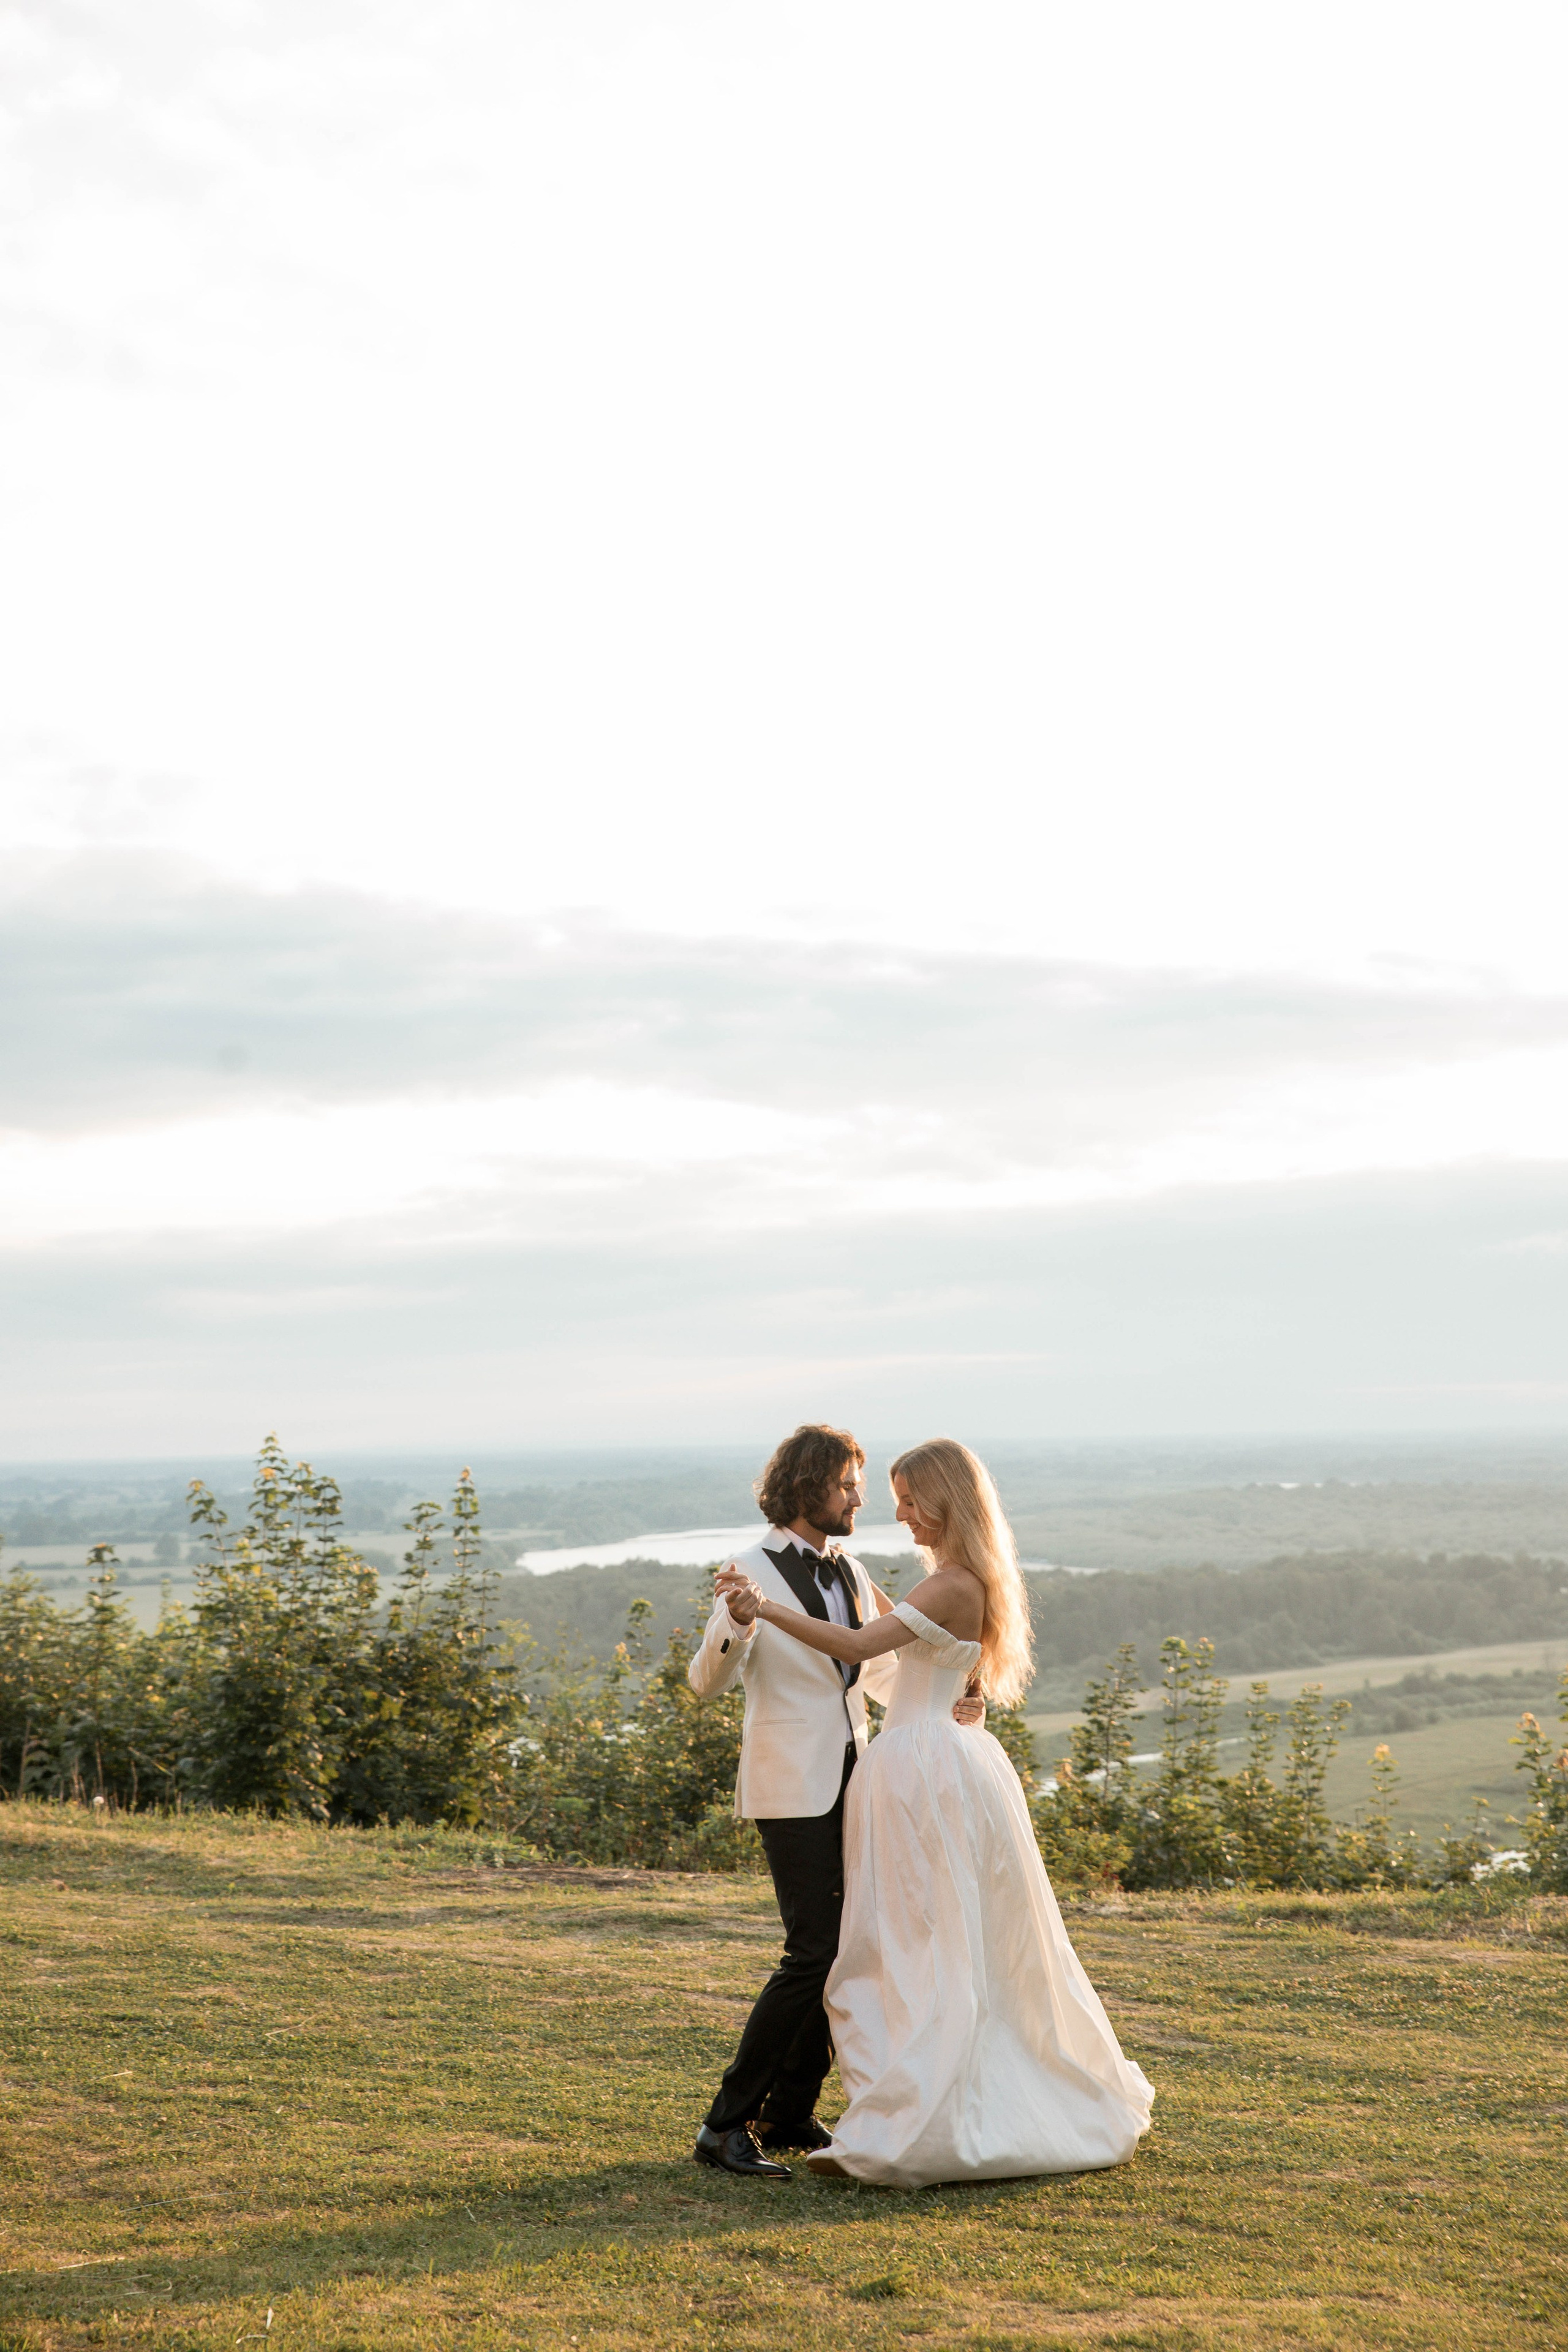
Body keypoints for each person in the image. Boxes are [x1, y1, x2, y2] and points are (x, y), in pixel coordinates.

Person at [715, 1437, 1154, 2188]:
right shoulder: (947, 1582)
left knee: (910, 1937)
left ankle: (879, 2099)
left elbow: (857, 1643)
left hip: (919, 1768)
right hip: (929, 1760)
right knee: (897, 1934)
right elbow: (896, 1651)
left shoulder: (951, 1585)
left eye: (912, 1501)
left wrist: (771, 1612)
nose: (899, 1515)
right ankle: (799, 2107)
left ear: (947, 1501)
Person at [687, 1422, 986, 2180]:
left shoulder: (848, 1568)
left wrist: (944, 1697)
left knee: (844, 1943)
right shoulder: (745, 1569)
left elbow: (872, 1671)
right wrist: (738, 1623)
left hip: (860, 1777)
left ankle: (790, 2113)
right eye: (848, 1484)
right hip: (790, 1782)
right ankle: (726, 2124)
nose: (859, 1499)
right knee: (812, 1949)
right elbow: (705, 1682)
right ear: (806, 1487)